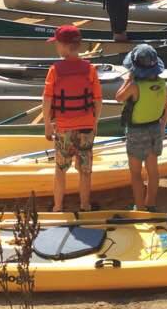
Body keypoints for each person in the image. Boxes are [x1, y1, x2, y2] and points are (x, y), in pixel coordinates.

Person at [42, 25, 103, 212]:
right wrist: (95, 123)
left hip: (63, 128)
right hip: (86, 127)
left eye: (57, 44)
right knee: (85, 170)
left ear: (64, 46)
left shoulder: (55, 70)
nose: (56, 48)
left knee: (60, 169)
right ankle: (85, 205)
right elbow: (98, 100)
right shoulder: (90, 69)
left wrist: (47, 125)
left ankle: (58, 207)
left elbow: (47, 100)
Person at [115, 45, 167, 211]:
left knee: (136, 172)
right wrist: (162, 128)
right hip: (155, 129)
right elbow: (166, 108)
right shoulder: (161, 83)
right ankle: (151, 203)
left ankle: (139, 206)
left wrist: (128, 79)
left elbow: (118, 98)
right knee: (153, 171)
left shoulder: (133, 86)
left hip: (137, 131)